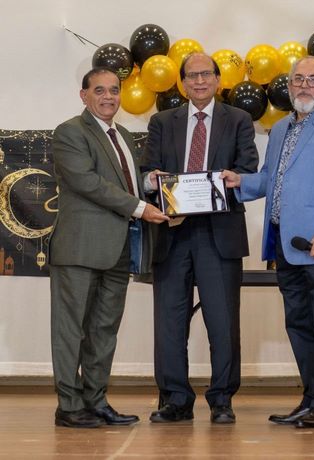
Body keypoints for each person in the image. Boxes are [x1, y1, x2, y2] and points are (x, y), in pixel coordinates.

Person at [221, 56, 314, 429]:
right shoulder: (280, 128)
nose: (303, 85)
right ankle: (310, 398)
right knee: (297, 323)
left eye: (313, 79)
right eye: (298, 78)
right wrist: (240, 182)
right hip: (285, 243)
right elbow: (269, 179)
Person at [141, 53, 259, 424]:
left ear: (219, 79)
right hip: (172, 233)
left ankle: (222, 399)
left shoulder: (238, 120)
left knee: (222, 322)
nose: (199, 81)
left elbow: (248, 169)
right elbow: (146, 173)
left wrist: (228, 179)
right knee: (170, 321)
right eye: (191, 75)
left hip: (219, 234)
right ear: (182, 83)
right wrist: (153, 182)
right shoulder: (162, 121)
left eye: (206, 74)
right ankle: (175, 399)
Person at [50, 67, 168, 428]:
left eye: (114, 90)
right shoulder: (70, 131)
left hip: (119, 247)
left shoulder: (123, 134)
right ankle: (69, 406)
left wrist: (148, 182)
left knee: (104, 329)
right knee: (71, 329)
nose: (108, 97)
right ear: (83, 95)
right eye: (99, 90)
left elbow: (123, 181)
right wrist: (140, 208)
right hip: (80, 248)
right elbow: (87, 182)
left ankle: (96, 400)